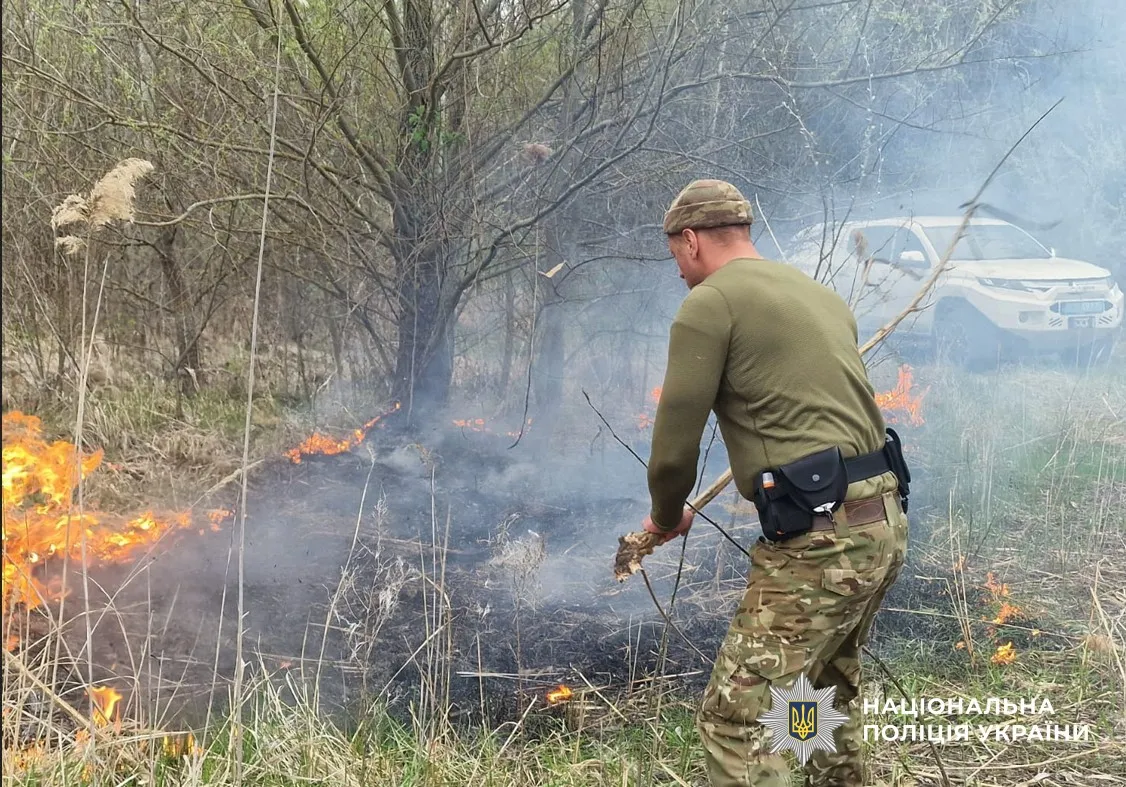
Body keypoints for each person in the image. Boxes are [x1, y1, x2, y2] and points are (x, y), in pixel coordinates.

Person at [641, 179, 910, 787]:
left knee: (734, 719)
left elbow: (673, 443)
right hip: (882, 521)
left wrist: (665, 515)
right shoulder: (817, 294)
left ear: (690, 241)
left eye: (677, 259)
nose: (681, 274)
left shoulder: (710, 303)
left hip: (821, 538)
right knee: (820, 696)